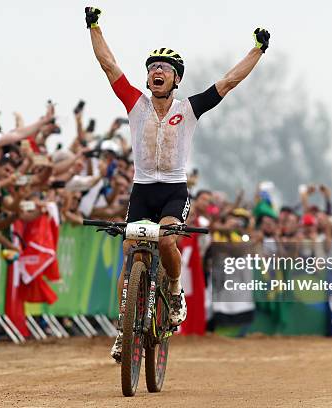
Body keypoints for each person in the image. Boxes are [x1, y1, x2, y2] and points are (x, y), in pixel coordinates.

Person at [84, 6, 270, 361]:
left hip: (173, 190)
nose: (157, 71)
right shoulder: (134, 103)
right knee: (129, 254)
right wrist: (94, 26)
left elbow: (228, 82)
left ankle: (173, 290)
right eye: (153, 67)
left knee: (168, 239)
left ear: (176, 80)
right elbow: (108, 65)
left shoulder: (190, 108)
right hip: (141, 189)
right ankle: (124, 330)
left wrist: (257, 50)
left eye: (165, 69)